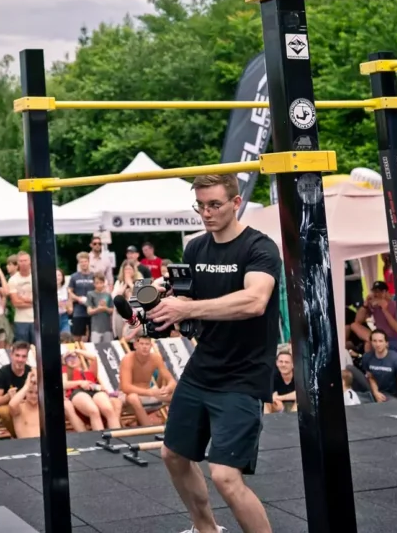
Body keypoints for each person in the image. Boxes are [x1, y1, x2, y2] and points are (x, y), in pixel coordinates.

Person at [145, 172, 282, 533]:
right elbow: (189, 301)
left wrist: (186, 309)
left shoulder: (260, 248)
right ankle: (206, 529)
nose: (206, 213)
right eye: (200, 206)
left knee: (225, 475)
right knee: (173, 455)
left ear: (236, 203)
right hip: (204, 365)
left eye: (215, 205)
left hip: (244, 372)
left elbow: (255, 301)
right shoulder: (195, 248)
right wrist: (160, 309)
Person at [118, 333, 175, 426]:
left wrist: (167, 389)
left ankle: (177, 427)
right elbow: (125, 387)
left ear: (151, 346)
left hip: (149, 393)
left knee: (178, 394)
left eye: (147, 344)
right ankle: (149, 429)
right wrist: (150, 393)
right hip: (126, 395)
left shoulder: (155, 358)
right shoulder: (128, 359)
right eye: (142, 344)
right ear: (135, 345)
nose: (144, 347)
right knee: (133, 398)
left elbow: (172, 381)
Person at [61, 349, 121, 431]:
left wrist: (76, 351)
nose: (72, 360)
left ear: (80, 359)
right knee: (93, 411)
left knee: (109, 410)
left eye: (74, 358)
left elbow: (93, 358)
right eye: (68, 359)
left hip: (95, 391)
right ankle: (101, 440)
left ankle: (117, 438)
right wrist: (80, 382)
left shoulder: (90, 372)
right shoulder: (65, 370)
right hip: (78, 392)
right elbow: (64, 384)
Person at [0, 341, 33, 438]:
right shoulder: (1, 373)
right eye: (17, 355)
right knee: (3, 411)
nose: (20, 359)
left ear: (27, 358)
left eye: (23, 356)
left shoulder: (31, 372)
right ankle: (19, 436)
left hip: (28, 405)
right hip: (8, 406)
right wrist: (7, 396)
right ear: (11, 356)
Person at [349, 280, 397, 353]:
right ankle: (372, 341)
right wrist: (365, 304)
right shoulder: (373, 305)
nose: (376, 294)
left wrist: (385, 310)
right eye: (374, 291)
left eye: (379, 291)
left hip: (393, 339)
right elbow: (358, 321)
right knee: (354, 325)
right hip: (378, 335)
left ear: (385, 292)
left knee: (368, 345)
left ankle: (373, 342)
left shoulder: (395, 305)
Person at [360, 330, 397, 403]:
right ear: (371, 342)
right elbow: (371, 377)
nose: (377, 344)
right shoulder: (367, 357)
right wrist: (375, 392)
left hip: (391, 395)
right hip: (374, 392)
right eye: (374, 341)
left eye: (380, 341)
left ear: (386, 343)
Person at [8, 253, 35, 345]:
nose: (23, 263)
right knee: (22, 346)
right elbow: (16, 303)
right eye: (21, 261)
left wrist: (24, 299)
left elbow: (42, 298)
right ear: (18, 263)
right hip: (21, 320)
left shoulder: (37, 276)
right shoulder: (13, 280)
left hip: (37, 319)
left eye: (25, 260)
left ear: (30, 261)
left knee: (39, 348)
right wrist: (34, 302)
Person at [66, 253, 95, 339]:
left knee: (92, 334)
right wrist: (78, 298)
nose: (83, 264)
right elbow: (69, 291)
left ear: (88, 262)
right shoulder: (74, 276)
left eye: (85, 261)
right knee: (77, 334)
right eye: (81, 262)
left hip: (92, 308)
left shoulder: (94, 275)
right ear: (79, 263)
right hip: (78, 309)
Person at [86, 273, 114, 347]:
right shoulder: (90, 294)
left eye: (101, 283)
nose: (99, 285)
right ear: (93, 283)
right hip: (95, 328)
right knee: (95, 347)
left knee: (108, 347)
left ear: (104, 283)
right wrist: (98, 309)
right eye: (97, 283)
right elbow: (89, 311)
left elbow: (112, 310)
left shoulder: (108, 295)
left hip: (107, 327)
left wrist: (105, 308)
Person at [266, 348, 296, 414]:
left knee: (299, 401)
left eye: (287, 362)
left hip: (295, 406)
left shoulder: (298, 375)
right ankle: (268, 423)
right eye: (281, 361)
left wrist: (280, 398)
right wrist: (275, 399)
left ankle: (292, 422)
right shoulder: (273, 375)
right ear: (277, 363)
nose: (283, 365)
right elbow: (270, 393)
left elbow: (300, 394)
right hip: (279, 406)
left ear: (293, 365)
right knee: (266, 402)